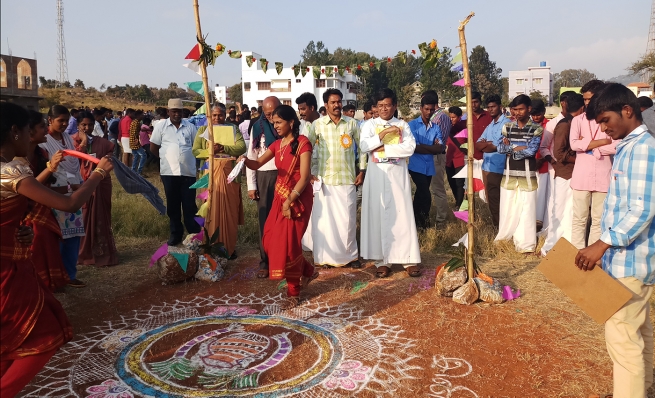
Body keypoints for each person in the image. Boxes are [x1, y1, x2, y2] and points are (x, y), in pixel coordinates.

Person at [1, 102, 114, 396]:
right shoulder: (9, 172)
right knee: (44, 336)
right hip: (6, 274)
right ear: (14, 132)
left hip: (12, 261)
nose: (29, 138)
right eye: (28, 131)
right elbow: (69, 203)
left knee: (9, 342)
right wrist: (98, 174)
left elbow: (16, 206)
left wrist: (14, 230)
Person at [574, 83, 654, 398]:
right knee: (638, 329)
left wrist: (601, 244)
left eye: (606, 120)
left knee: (622, 336)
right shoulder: (626, 146)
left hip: (631, 260)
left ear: (627, 111)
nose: (604, 129)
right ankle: (643, 388)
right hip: (628, 260)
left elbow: (642, 209)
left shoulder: (643, 149)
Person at [238, 105, 318, 307]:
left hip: (298, 198)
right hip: (280, 198)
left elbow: (306, 176)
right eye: (273, 123)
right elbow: (257, 164)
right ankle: (308, 270)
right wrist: (243, 160)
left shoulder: (303, 143)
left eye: (279, 122)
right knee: (270, 239)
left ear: (291, 122)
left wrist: (290, 200)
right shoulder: (277, 145)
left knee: (289, 244)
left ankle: (294, 292)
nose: (276, 127)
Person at [360, 88, 421, 278]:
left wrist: (383, 147)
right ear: (375, 107)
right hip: (377, 176)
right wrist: (384, 133)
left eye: (387, 105)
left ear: (394, 106)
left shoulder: (403, 125)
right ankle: (382, 260)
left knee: (401, 214)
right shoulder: (369, 125)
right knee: (378, 215)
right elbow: (364, 146)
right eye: (380, 106)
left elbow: (409, 147)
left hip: (397, 175)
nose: (384, 109)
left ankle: (408, 258)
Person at [307, 88, 364, 267]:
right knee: (325, 222)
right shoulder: (317, 125)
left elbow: (362, 148)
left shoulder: (352, 123)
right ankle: (324, 258)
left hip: (347, 178)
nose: (337, 105)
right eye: (333, 102)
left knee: (347, 220)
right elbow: (305, 147)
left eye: (339, 101)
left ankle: (350, 257)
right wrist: (308, 172)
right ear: (326, 105)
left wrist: (362, 170)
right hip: (325, 179)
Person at [39, 105, 87, 288]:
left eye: (67, 120)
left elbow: (74, 162)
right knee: (57, 238)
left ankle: (70, 274)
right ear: (50, 120)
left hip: (73, 192)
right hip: (54, 194)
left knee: (73, 236)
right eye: (61, 121)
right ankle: (56, 277)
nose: (65, 124)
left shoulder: (66, 137)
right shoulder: (43, 142)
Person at [192, 103, 246, 259]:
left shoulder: (232, 129)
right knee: (210, 211)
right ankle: (210, 247)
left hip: (229, 175)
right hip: (209, 175)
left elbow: (241, 147)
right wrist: (210, 151)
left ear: (225, 115)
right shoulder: (203, 130)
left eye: (220, 115)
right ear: (209, 116)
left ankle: (229, 247)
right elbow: (195, 151)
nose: (217, 118)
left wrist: (223, 148)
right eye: (214, 115)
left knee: (230, 212)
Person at [22, 110, 69, 291]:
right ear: (28, 131)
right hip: (28, 210)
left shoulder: (41, 152)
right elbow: (29, 186)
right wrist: (51, 167)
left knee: (48, 243)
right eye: (42, 126)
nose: (46, 130)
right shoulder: (16, 158)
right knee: (37, 242)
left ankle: (52, 282)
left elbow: (46, 184)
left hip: (44, 206)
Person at [569, 80, 617, 250]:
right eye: (585, 99)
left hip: (603, 176)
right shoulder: (578, 120)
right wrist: (601, 142)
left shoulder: (609, 119)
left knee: (598, 219)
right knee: (579, 218)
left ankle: (592, 258)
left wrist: (590, 146)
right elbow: (574, 145)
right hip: (581, 177)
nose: (587, 103)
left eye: (590, 99)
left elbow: (615, 146)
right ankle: (576, 254)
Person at [494, 94, 543, 253]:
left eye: (520, 109)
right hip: (508, 175)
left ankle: (526, 245)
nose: (517, 112)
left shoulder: (537, 129)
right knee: (507, 209)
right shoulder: (507, 127)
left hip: (527, 176)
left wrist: (512, 147)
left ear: (529, 109)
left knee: (527, 211)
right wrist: (519, 147)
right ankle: (505, 240)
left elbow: (531, 151)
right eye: (514, 109)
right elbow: (500, 149)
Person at [150, 99, 201, 246]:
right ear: (168, 112)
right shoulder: (161, 127)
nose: (177, 114)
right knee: (173, 205)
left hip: (187, 172)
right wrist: (165, 159)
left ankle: (193, 235)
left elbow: (196, 147)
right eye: (174, 111)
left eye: (179, 111)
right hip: (169, 172)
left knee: (189, 204)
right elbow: (153, 146)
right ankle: (175, 234)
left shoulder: (190, 127)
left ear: (183, 111)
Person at [71, 112, 118, 267]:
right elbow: (73, 161)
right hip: (81, 184)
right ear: (78, 125)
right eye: (83, 125)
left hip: (101, 183)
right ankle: (82, 254)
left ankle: (102, 254)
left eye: (90, 125)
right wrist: (83, 142)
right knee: (83, 217)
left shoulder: (102, 143)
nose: (87, 128)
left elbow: (110, 160)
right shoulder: (71, 142)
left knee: (101, 216)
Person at [540, 93, 585, 256]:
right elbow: (560, 154)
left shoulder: (576, 123)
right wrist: (582, 159)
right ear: (582, 108)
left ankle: (568, 244)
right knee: (559, 211)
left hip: (574, 173)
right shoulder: (565, 124)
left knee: (572, 211)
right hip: (565, 173)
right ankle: (552, 246)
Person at [246, 96, 282, 277]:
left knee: (283, 221)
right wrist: (252, 185)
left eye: (273, 113)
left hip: (284, 176)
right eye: (267, 114)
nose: (270, 117)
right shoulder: (257, 127)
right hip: (264, 177)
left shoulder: (288, 125)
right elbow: (252, 157)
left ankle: (281, 260)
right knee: (264, 221)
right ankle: (265, 261)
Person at [408, 93, 443, 230]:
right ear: (421, 108)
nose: (429, 112)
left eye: (431, 110)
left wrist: (424, 147)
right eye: (426, 109)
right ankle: (424, 223)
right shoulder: (411, 126)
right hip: (415, 166)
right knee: (426, 194)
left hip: (429, 167)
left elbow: (440, 147)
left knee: (420, 194)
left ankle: (415, 223)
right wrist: (431, 147)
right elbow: (413, 147)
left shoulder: (435, 127)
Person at [475, 95, 511, 228]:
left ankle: (500, 227)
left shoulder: (506, 124)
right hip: (487, 166)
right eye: (488, 107)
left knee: (497, 200)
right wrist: (488, 145)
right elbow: (478, 144)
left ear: (500, 107)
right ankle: (497, 225)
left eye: (493, 107)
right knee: (491, 199)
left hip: (498, 167)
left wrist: (488, 145)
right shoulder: (490, 125)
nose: (490, 109)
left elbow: (494, 147)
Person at [422, 90, 451, 225]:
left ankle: (441, 220)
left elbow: (438, 142)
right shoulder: (433, 117)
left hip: (436, 156)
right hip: (428, 156)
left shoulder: (441, 118)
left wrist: (422, 145)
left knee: (438, 189)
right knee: (428, 189)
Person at [530, 99, 552, 232]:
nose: (535, 117)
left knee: (542, 196)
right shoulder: (529, 125)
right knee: (532, 196)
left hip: (544, 166)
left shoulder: (549, 126)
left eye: (537, 114)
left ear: (544, 112)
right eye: (533, 114)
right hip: (531, 165)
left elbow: (551, 146)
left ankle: (540, 223)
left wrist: (542, 160)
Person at [446, 106, 467, 210]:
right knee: (452, 182)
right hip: (449, 160)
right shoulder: (447, 128)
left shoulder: (465, 128)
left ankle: (459, 204)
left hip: (460, 159)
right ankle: (458, 201)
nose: (451, 119)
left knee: (459, 183)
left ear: (459, 117)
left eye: (453, 117)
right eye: (450, 117)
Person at [129, 110, 146, 175]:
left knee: (136, 156)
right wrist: (136, 140)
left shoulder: (134, 122)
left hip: (132, 141)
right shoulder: (136, 123)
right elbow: (134, 132)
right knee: (143, 155)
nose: (143, 116)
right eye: (142, 115)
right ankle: (139, 171)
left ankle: (133, 170)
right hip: (135, 141)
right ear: (139, 115)